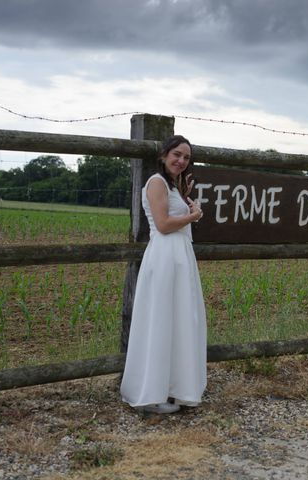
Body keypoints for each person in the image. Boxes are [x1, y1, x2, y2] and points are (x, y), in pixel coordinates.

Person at [121, 135, 207, 413]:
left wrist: (184, 199)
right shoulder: (156, 182)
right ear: (163, 155)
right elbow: (163, 224)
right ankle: (152, 392)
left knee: (178, 320)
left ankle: (172, 386)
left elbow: (172, 215)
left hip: (178, 258)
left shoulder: (171, 185)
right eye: (177, 155)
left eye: (186, 157)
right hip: (165, 255)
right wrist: (193, 216)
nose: (181, 161)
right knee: (161, 319)